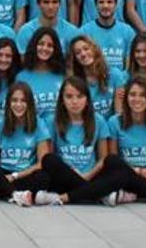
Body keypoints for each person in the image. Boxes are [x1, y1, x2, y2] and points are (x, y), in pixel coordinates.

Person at [33, 76, 128, 205]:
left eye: (80, 96)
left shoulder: (98, 120)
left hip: (91, 175)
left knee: (116, 166)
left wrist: (86, 176)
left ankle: (64, 197)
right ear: (62, 100)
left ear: (87, 99)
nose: (75, 101)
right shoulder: (52, 121)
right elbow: (51, 157)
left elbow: (103, 159)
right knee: (48, 160)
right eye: (69, 96)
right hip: (64, 177)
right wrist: (70, 172)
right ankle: (97, 195)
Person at [0, 82, 51, 206]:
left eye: (23, 101)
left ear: (29, 104)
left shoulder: (39, 124)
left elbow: (42, 163)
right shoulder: (0, 124)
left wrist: (15, 176)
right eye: (14, 100)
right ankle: (15, 194)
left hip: (24, 174)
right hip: (2, 172)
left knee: (43, 177)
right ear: (8, 103)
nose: (18, 105)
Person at [104, 77, 146, 205]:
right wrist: (137, 172)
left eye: (142, 95)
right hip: (126, 175)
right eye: (132, 94)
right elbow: (114, 158)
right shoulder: (114, 121)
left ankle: (134, 195)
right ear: (126, 97)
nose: (137, 99)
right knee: (111, 161)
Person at [67, 35, 125, 118]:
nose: (83, 54)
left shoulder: (115, 75)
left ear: (94, 49)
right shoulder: (75, 84)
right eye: (78, 52)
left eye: (86, 48)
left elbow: (119, 114)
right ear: (75, 59)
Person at [79, 0, 136, 71]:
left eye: (109, 2)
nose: (105, 6)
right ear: (96, 5)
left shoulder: (128, 32)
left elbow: (129, 66)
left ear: (116, 5)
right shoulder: (84, 32)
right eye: (101, 2)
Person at [16, 27, 65, 122]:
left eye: (50, 45)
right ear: (34, 46)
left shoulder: (63, 76)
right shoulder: (21, 77)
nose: (45, 48)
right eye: (41, 44)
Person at [15, 0, 80, 55]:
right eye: (46, 2)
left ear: (60, 4)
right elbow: (23, 61)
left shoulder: (72, 32)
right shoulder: (26, 31)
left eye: (54, 2)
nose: (50, 7)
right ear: (38, 4)